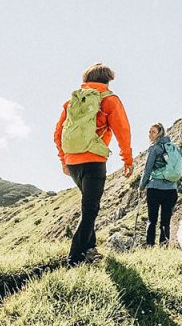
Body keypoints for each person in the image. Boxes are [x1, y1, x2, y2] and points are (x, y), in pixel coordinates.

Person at [54, 63, 132, 265]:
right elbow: (122, 131)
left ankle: (90, 248)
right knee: (90, 209)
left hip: (73, 162)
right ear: (108, 80)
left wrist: (64, 159)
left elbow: (57, 133)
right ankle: (74, 257)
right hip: (94, 160)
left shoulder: (73, 101)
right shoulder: (109, 100)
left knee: (89, 205)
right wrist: (127, 160)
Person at [140, 123, 179, 247]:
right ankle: (164, 246)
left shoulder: (154, 148)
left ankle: (150, 246)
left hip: (155, 189)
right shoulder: (173, 148)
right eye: (149, 131)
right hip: (171, 190)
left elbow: (147, 169)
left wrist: (141, 186)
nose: (150, 134)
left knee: (152, 220)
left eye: (153, 132)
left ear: (159, 134)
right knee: (165, 222)